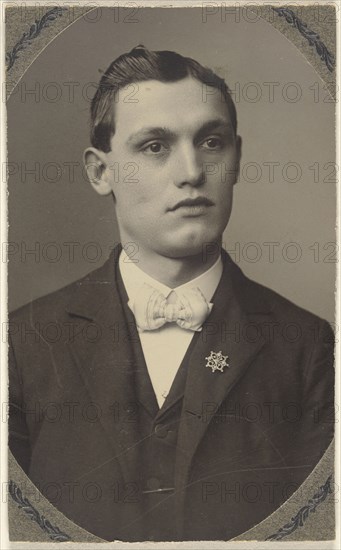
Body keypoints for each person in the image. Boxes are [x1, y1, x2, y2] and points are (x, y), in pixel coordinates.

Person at [8, 45, 334, 542]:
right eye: (155, 146)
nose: (191, 172)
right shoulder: (24, 343)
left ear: (238, 158)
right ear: (101, 172)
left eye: (211, 141)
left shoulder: (307, 346)